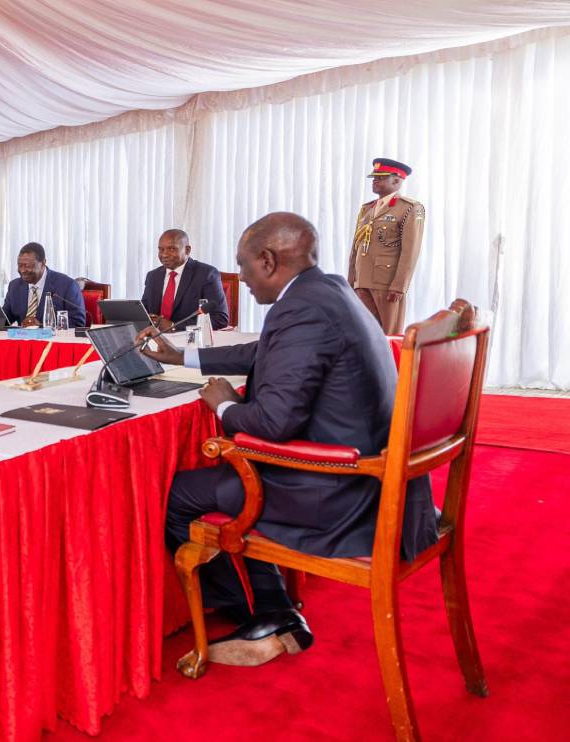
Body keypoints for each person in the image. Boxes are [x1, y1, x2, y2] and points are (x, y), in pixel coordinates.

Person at [138, 212, 436, 668]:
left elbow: (273, 424)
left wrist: (223, 405)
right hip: (375, 477)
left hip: (338, 490)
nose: (243, 280)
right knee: (240, 472)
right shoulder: (329, 291)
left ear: (268, 260)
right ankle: (274, 610)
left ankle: (256, 611)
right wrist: (184, 354)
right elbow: (265, 350)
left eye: (243, 267)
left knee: (175, 494)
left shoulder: (300, 309)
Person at [348, 158, 425, 334]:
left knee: (387, 335)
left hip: (387, 282)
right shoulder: (367, 209)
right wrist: (352, 281)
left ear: (397, 181)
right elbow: (356, 248)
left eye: (381, 177)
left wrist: (399, 285)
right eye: (374, 177)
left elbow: (410, 251)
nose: (375, 181)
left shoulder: (410, 208)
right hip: (363, 280)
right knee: (363, 333)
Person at [140, 229, 229, 330]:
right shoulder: (153, 276)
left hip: (188, 340)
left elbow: (219, 318)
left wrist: (173, 326)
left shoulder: (206, 274)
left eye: (171, 249)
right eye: (161, 249)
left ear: (187, 250)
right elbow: (145, 311)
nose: (164, 254)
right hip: (154, 339)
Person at [1, 242, 86, 327]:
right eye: (20, 266)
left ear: (43, 263)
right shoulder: (14, 286)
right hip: (21, 339)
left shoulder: (67, 285)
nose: (22, 270)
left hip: (53, 339)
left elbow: (78, 323)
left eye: (28, 266)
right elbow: (4, 320)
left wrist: (42, 326)